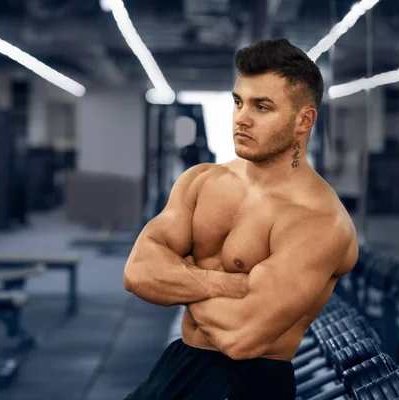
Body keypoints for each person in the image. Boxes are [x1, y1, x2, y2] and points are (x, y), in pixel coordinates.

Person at [123, 38, 359, 400]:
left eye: (262, 107)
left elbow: (241, 337)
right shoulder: (201, 180)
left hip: (250, 384)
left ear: (304, 120)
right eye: (238, 102)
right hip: (177, 363)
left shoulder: (318, 221)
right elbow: (138, 272)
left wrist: (180, 275)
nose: (242, 118)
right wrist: (229, 285)